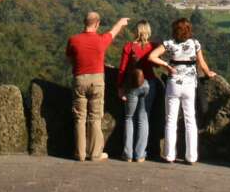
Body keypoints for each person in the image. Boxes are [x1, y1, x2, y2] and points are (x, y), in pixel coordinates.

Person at [147, 17, 216, 164]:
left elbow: (151, 56)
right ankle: (191, 156)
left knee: (171, 120)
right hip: (190, 85)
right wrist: (209, 73)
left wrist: (167, 65)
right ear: (189, 30)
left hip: (173, 84)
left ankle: (169, 155)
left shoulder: (169, 43)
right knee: (190, 120)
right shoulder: (195, 43)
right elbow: (201, 63)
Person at [66, 12, 130, 161]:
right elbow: (113, 33)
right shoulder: (101, 40)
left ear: (84, 22)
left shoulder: (73, 40)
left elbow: (69, 59)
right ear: (97, 24)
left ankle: (80, 153)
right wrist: (120, 22)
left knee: (79, 117)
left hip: (79, 79)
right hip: (97, 80)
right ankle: (95, 153)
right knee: (95, 117)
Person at [117, 20, 158, 162]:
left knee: (129, 118)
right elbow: (156, 65)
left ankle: (127, 154)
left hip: (132, 85)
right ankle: (140, 154)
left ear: (136, 31)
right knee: (143, 118)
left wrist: (120, 87)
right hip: (149, 83)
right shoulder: (153, 47)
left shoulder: (129, 47)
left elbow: (122, 69)